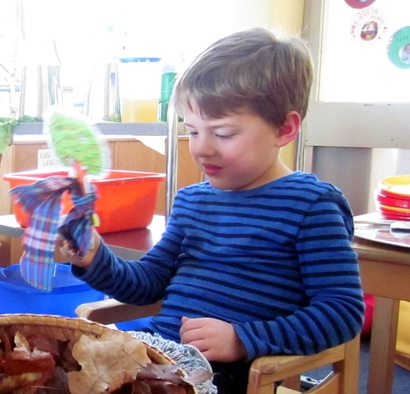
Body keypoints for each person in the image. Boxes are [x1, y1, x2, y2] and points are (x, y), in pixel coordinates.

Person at [57, 28, 365, 393]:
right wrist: (94, 259)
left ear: (285, 128)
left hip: (228, 374)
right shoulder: (192, 201)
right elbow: (147, 283)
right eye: (193, 131)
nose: (202, 149)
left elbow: (342, 313)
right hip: (159, 356)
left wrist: (243, 339)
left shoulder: (311, 205)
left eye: (222, 134)